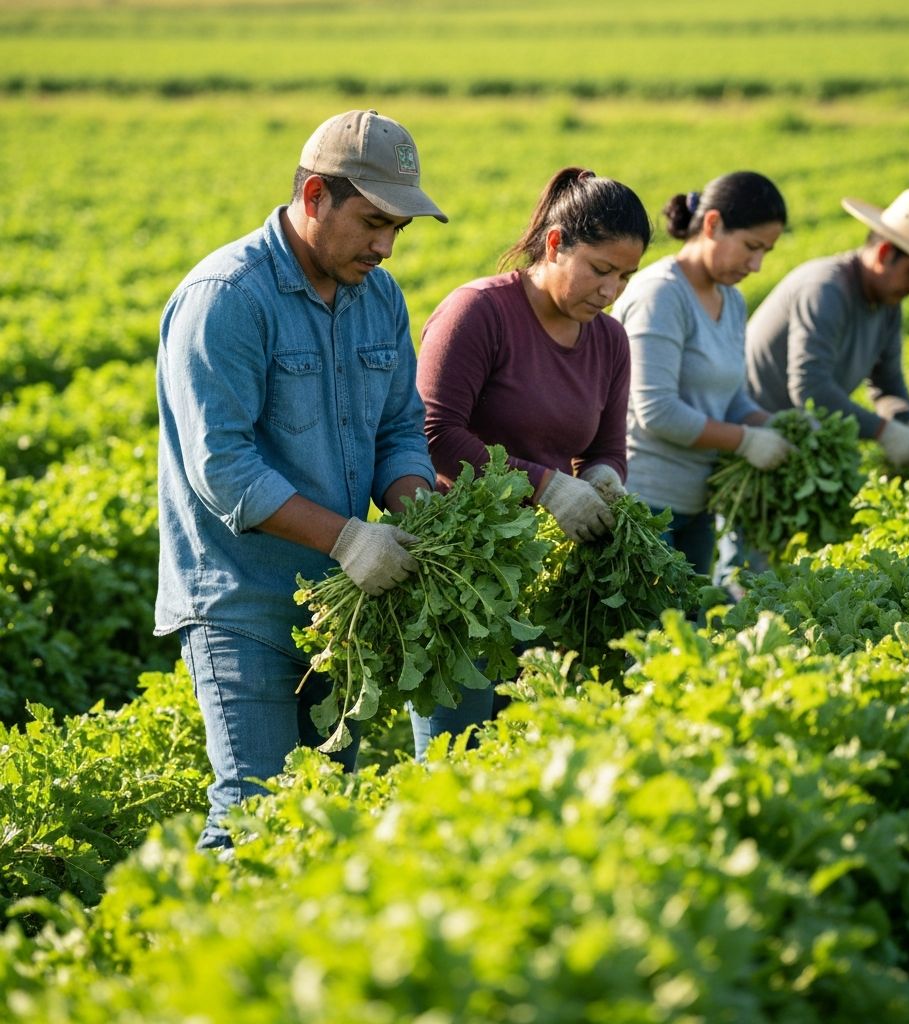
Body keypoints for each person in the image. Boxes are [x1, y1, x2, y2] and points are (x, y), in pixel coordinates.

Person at [155, 109, 447, 849]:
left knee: (325, 810)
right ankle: (195, 928)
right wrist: (348, 538)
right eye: (373, 223)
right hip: (242, 602)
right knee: (252, 809)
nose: (385, 247)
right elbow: (222, 467)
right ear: (315, 196)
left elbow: (398, 429)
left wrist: (417, 514)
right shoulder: (227, 296)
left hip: (339, 608)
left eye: (397, 230)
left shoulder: (379, 297)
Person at [410, 166, 653, 758]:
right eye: (600, 269)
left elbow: (605, 449)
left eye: (625, 276)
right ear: (555, 243)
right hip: (464, 571)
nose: (612, 290)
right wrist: (545, 486)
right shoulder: (479, 313)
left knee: (531, 755)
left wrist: (603, 480)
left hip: (547, 575)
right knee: (457, 756)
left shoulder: (609, 341)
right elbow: (434, 433)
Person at [611, 171, 792, 578]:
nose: (757, 264)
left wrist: (774, 425)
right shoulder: (661, 294)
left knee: (695, 614)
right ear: (712, 224)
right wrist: (746, 440)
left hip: (699, 504)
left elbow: (732, 399)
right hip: (646, 504)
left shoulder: (732, 300)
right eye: (751, 247)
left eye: (765, 252)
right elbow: (657, 411)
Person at [745, 188, 909, 467]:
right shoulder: (826, 290)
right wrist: (883, 431)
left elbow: (887, 385)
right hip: (753, 438)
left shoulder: (887, 305)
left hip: (799, 439)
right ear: (884, 253)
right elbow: (810, 387)